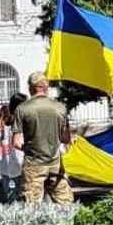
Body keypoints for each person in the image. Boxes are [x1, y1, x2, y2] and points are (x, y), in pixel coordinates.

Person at [16, 72, 74, 204]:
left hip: (33, 165)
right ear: (46, 87)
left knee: (31, 208)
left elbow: (16, 142)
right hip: (56, 164)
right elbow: (66, 138)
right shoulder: (60, 108)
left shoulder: (22, 109)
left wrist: (30, 148)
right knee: (66, 204)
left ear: (31, 88)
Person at [0, 105, 23, 205]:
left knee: (8, 196)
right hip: (4, 170)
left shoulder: (5, 132)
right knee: (5, 196)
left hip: (7, 170)